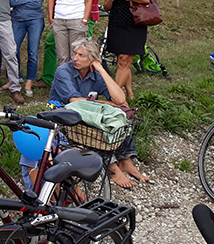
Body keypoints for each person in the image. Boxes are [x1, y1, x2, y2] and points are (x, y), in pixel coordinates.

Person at [48, 38, 148, 187]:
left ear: (93, 59)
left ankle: (125, 160)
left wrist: (101, 69)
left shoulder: (96, 73)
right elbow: (75, 101)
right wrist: (107, 104)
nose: (75, 58)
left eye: (81, 55)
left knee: (120, 115)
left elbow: (120, 99)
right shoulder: (64, 71)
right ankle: (112, 166)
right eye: (75, 54)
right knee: (98, 123)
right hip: (62, 112)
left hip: (87, 111)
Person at [104, 0, 151, 101]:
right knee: (122, 61)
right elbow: (106, 7)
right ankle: (129, 94)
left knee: (124, 60)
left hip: (135, 25)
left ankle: (114, 98)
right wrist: (110, 0)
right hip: (116, 24)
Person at [9, 0, 44, 97]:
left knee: (32, 52)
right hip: (17, 19)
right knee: (13, 49)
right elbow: (9, 1)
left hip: (35, 19)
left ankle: (30, 81)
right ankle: (16, 77)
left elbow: (38, 2)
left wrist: (19, 1)